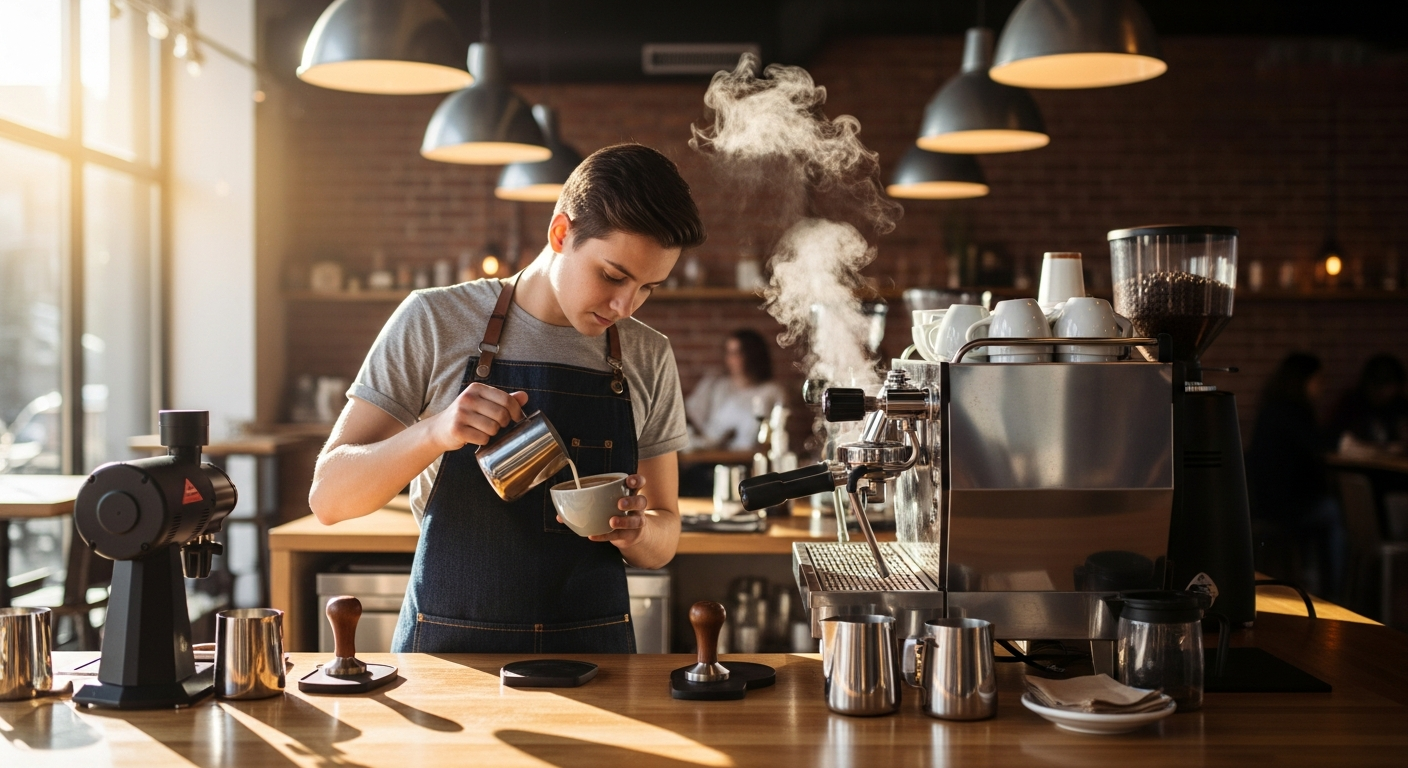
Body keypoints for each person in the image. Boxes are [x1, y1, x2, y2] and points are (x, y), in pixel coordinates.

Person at [309, 144, 706, 654]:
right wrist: (435, 432)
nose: (624, 306)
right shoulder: (434, 322)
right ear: (560, 233)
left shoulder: (648, 355)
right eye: (612, 275)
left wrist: (637, 532)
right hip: (449, 663)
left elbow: (665, 536)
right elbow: (329, 498)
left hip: (595, 664)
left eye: (649, 287)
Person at [1246, 353, 1344, 598]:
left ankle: (1319, 585)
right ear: (1302, 381)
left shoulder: (1272, 410)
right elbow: (1319, 445)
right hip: (1283, 506)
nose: (1322, 388)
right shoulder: (1292, 413)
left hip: (1265, 503)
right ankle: (1334, 592)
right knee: (1332, 512)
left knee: (1327, 510)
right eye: (1319, 380)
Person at [685, 329, 785, 452]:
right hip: (709, 458)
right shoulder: (716, 386)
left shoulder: (771, 391)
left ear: (752, 355)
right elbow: (692, 417)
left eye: (737, 353)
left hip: (749, 459)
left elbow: (776, 431)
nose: (731, 359)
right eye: (729, 353)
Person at [1331, 354, 1408, 450]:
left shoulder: (1400, 407)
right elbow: (1336, 440)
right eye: (1377, 385)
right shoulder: (1353, 405)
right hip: (1356, 463)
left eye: (1388, 386)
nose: (1381, 392)